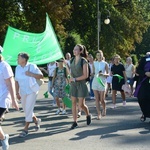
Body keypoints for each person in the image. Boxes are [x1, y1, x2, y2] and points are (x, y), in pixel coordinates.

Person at [15, 52, 43, 138]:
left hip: (32, 91)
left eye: (19, 58)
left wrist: (31, 74)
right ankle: (36, 120)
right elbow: (16, 81)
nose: (17, 59)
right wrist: (17, 92)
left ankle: (25, 129)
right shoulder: (17, 68)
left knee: (28, 108)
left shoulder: (32, 66)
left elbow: (41, 76)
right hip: (23, 92)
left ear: (24, 59)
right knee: (27, 109)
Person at [69, 44, 92, 129]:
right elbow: (71, 73)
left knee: (81, 105)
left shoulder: (84, 61)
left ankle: (88, 114)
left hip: (81, 84)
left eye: (76, 49)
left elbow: (85, 75)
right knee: (73, 103)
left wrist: (75, 79)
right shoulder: (71, 60)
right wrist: (70, 78)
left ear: (80, 51)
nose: (74, 51)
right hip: (73, 85)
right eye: (74, 49)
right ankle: (75, 121)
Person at [0, 52, 19, 150]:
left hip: (3, 98)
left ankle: (3, 139)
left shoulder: (4, 66)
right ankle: (3, 138)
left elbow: (10, 83)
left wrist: (14, 100)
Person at [92, 50, 109, 119]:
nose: (99, 56)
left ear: (102, 55)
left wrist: (103, 74)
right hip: (95, 81)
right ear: (96, 56)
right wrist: (92, 74)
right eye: (98, 55)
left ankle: (104, 109)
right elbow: (93, 72)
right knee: (97, 99)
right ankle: (98, 113)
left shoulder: (105, 64)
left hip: (102, 82)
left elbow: (108, 74)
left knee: (102, 99)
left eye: (100, 55)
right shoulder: (94, 63)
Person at [134, 52, 150, 121]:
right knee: (141, 98)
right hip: (144, 82)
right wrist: (145, 73)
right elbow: (138, 70)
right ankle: (145, 112)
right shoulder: (145, 59)